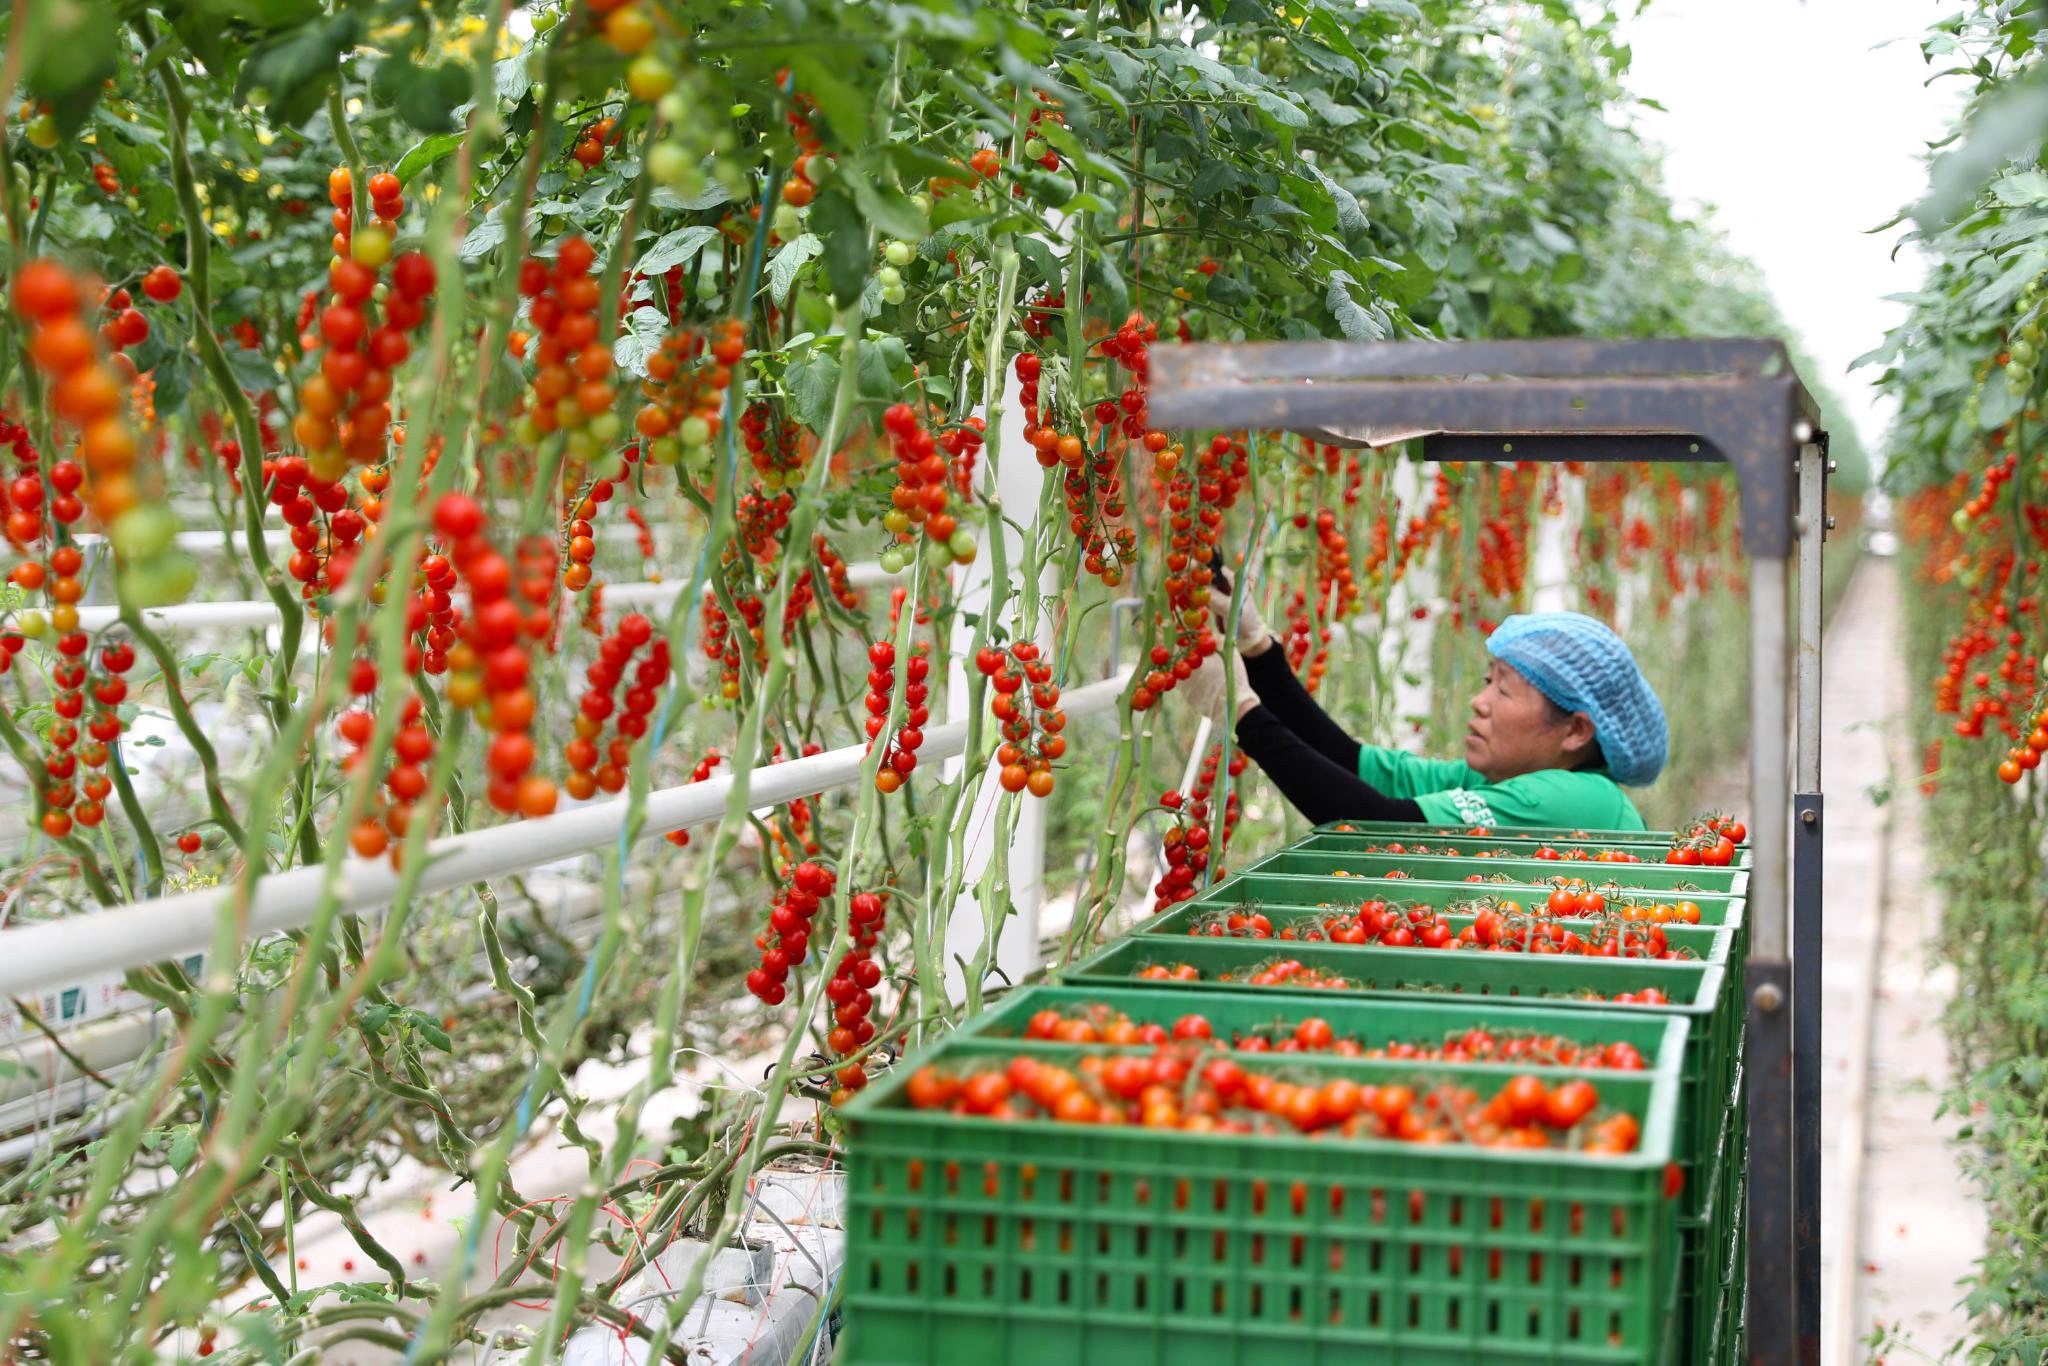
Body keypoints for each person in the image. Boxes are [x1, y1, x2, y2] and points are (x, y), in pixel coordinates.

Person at [1181, 589, 1667, 831]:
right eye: (1486, 680)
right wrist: (1259, 651)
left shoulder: (1573, 799)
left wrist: (1243, 713)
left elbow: (1372, 821)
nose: (1479, 700)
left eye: (1504, 691)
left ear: (1576, 731)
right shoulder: (1502, 781)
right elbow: (1352, 765)